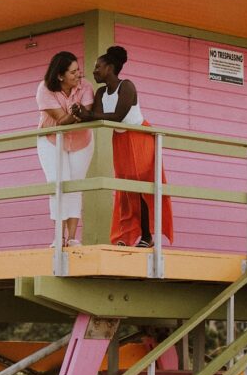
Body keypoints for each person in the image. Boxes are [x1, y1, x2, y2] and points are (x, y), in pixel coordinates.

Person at [72, 45, 173, 248]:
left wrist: (88, 113)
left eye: (98, 67)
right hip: (120, 140)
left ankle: (147, 235)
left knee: (142, 187)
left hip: (139, 137)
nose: (94, 71)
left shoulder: (127, 86)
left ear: (109, 67)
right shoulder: (101, 92)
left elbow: (117, 116)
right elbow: (99, 117)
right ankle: (126, 236)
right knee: (125, 189)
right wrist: (81, 114)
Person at [36, 51, 94, 246]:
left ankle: (71, 238)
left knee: (75, 186)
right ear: (60, 76)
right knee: (58, 184)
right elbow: (61, 121)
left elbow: (86, 114)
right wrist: (78, 113)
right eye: (72, 72)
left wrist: (80, 113)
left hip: (81, 140)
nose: (78, 74)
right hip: (51, 139)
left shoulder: (86, 86)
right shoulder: (44, 89)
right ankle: (58, 237)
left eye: (78, 70)